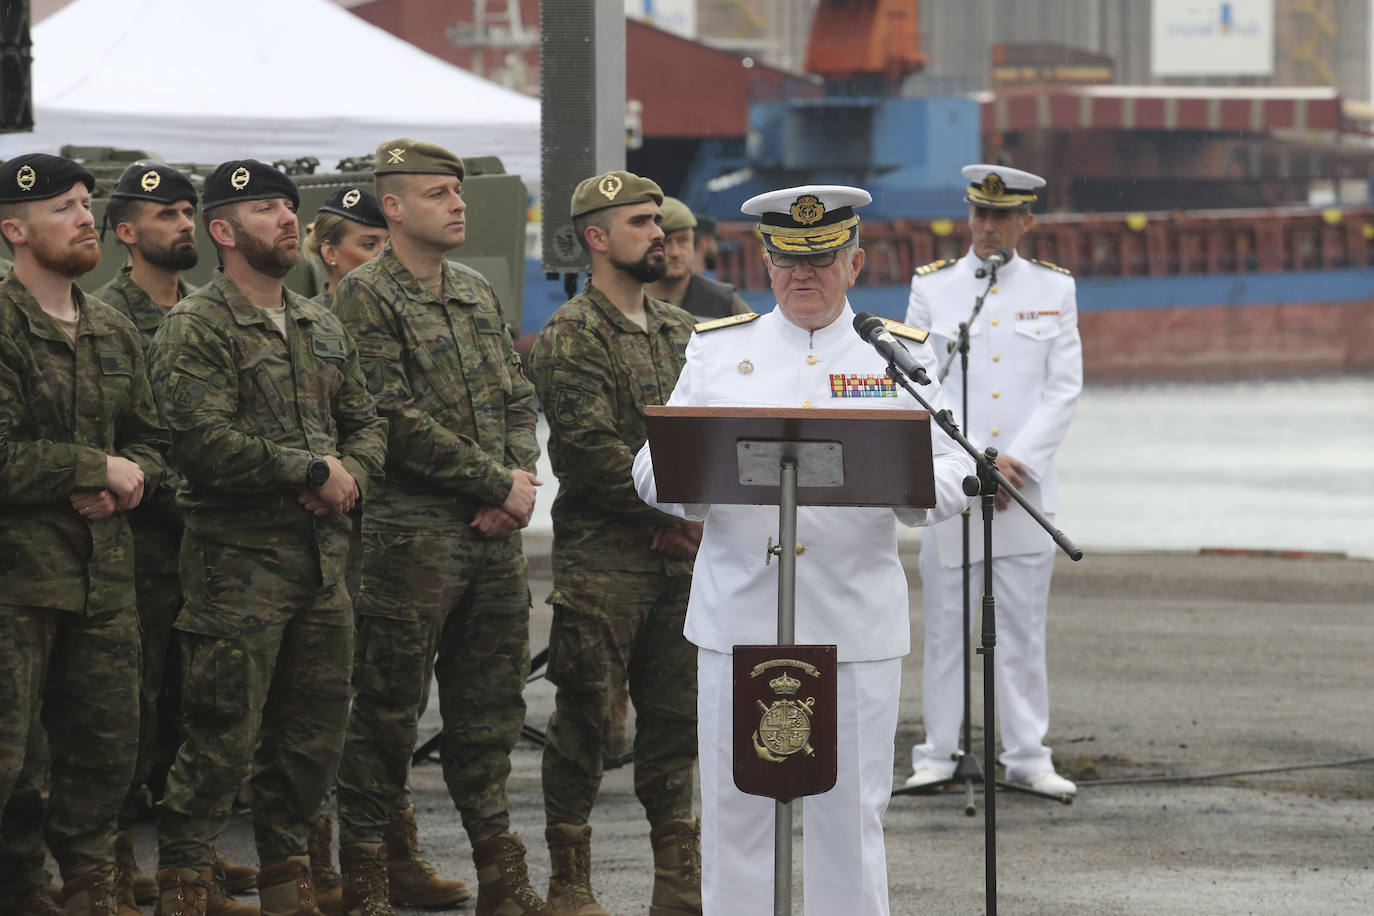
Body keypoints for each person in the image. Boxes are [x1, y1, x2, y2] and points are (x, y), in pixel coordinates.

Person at [632, 185, 974, 915]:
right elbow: (649, 466)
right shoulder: (720, 350)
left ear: (854, 263)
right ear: (765, 264)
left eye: (821, 261)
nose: (804, 277)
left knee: (848, 821)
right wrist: (688, 476)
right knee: (736, 821)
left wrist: (906, 485)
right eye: (789, 262)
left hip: (850, 623)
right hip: (741, 619)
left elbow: (954, 470)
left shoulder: (898, 357)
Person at [146, 159, 387, 916]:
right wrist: (308, 470)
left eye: (288, 207)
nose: (287, 219)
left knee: (311, 744)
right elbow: (197, 441)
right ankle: (187, 882)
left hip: (324, 570)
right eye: (263, 210)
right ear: (223, 231)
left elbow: (369, 422)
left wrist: (351, 473)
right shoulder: (197, 325)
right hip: (238, 572)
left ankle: (290, 887)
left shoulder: (319, 321)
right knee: (220, 745)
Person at [332, 138, 546, 916]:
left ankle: (502, 873)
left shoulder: (477, 290)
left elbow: (517, 397)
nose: (457, 204)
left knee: (490, 713)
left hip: (492, 538)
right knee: (386, 712)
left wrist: (516, 479)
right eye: (436, 194)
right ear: (391, 207)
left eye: (458, 191)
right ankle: (368, 877)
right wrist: (495, 482)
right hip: (409, 539)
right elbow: (387, 414)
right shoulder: (365, 295)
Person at [528, 171, 702, 916]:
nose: (659, 234)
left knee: (677, 719)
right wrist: (674, 519)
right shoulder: (572, 335)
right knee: (587, 719)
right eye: (640, 223)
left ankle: (679, 881)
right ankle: (569, 878)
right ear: (596, 239)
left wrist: (694, 520)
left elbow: (707, 440)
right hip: (606, 564)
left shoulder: (681, 332)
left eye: (658, 221)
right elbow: (590, 457)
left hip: (681, 564)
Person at [0, 153, 168, 916]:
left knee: (106, 752)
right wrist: (92, 466)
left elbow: (155, 442)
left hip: (103, 582)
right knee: (13, 761)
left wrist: (132, 476)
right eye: (62, 207)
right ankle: (23, 889)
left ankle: (94, 891)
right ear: (14, 229)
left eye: (83, 203)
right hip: (18, 586)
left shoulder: (111, 329)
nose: (82, 218)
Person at [96, 160, 262, 912]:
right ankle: (116, 857)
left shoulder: (211, 313)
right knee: (128, 711)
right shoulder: (105, 318)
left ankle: (185, 858)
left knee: (195, 713)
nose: (183, 225)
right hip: (140, 549)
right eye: (166, 216)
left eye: (190, 213)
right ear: (125, 232)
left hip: (211, 549)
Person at [902, 164, 1082, 797]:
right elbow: (923, 383)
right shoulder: (934, 289)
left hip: (1025, 491)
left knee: (1023, 629)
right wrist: (978, 460)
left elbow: (1063, 388)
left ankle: (1029, 756)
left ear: (1025, 222)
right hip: (955, 480)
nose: (987, 226)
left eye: (1001, 216)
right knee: (947, 623)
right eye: (979, 214)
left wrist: (1014, 461)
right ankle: (939, 752)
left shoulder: (1055, 290)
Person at [644, 196, 750, 320]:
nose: (675, 253)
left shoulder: (723, 300)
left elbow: (754, 337)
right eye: (665, 242)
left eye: (683, 241)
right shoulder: (629, 299)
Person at [303, 187, 388, 310]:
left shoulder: (408, 312)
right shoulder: (307, 321)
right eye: (369, 245)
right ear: (330, 253)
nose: (385, 253)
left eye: (389, 243)